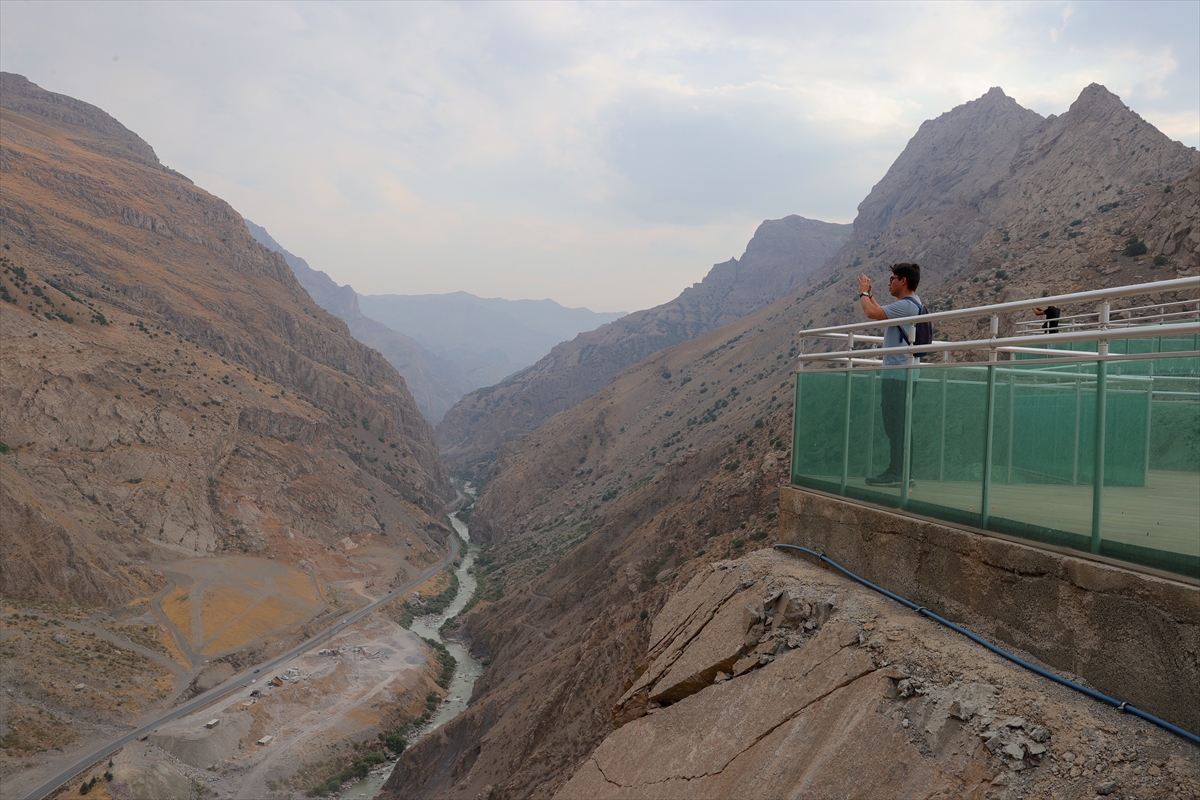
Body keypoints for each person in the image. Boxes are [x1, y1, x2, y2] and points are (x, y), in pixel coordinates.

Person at [857, 263, 923, 487]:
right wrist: (871, 295)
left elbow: (871, 313)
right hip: (903, 375)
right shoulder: (910, 305)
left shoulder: (906, 306)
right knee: (899, 426)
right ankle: (903, 472)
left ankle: (898, 473)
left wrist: (864, 294)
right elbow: (882, 316)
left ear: (903, 281)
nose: (889, 282)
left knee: (896, 427)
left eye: (893, 278)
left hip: (898, 376)